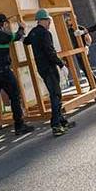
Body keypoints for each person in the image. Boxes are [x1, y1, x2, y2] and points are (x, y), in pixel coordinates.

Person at [0, 14, 35, 146]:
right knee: (15, 95)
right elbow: (16, 36)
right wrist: (22, 27)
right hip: (2, 72)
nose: (8, 27)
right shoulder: (2, 34)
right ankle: (19, 126)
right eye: (7, 25)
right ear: (3, 24)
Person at [23, 9, 76, 137]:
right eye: (48, 20)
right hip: (50, 68)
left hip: (41, 68)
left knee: (55, 93)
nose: (49, 22)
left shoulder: (34, 32)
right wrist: (61, 64)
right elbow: (50, 51)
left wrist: (22, 31)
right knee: (56, 95)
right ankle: (56, 125)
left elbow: (26, 41)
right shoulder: (45, 33)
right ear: (43, 20)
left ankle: (61, 121)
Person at [64, 14, 92, 83]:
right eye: (67, 20)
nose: (68, 21)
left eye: (69, 20)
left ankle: (94, 83)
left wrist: (87, 46)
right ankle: (92, 84)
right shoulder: (69, 31)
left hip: (84, 51)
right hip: (77, 52)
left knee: (87, 68)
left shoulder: (81, 28)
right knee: (84, 69)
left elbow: (88, 38)